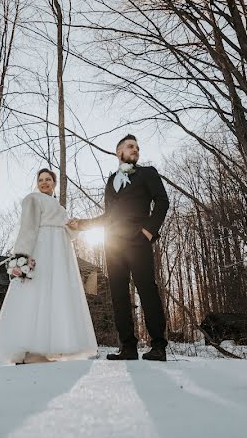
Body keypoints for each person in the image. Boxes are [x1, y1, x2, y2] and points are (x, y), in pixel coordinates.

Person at [68, 134, 170, 361]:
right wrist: (82, 224)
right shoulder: (111, 181)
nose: (136, 150)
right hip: (113, 244)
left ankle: (158, 346)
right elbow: (108, 217)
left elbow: (162, 201)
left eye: (137, 147)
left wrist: (148, 231)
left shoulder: (148, 173)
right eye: (130, 146)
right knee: (118, 295)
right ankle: (128, 347)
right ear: (119, 152)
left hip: (138, 240)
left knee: (147, 290)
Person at [0, 168, 98, 364]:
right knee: (36, 291)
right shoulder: (33, 199)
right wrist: (22, 256)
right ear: (37, 184)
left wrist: (73, 228)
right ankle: (29, 350)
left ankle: (47, 348)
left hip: (60, 254)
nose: (44, 182)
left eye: (48, 179)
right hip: (42, 249)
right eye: (41, 180)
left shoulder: (59, 207)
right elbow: (27, 227)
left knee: (54, 295)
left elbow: (68, 234)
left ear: (54, 183)